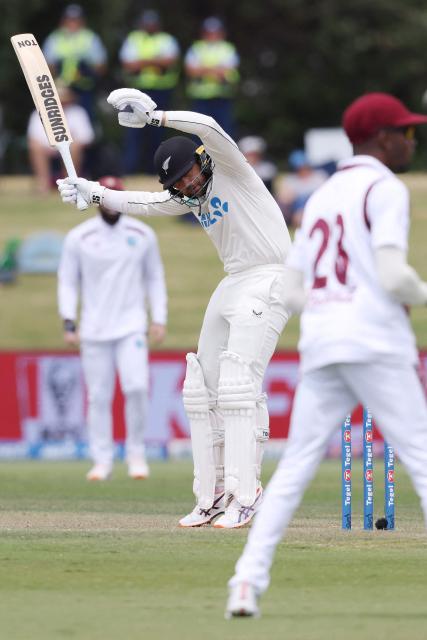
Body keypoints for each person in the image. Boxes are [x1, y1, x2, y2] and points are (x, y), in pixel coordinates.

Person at [225, 92, 427, 618]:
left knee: (293, 468)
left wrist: (333, 307)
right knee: (422, 458)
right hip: (376, 341)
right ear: (380, 138)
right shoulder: (386, 188)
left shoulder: (320, 193)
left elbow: (293, 293)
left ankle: (245, 583)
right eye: (405, 132)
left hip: (323, 339)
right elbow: (392, 276)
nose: (411, 140)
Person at [57, 88, 292, 526]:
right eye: (177, 183)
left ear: (201, 162)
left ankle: (248, 493)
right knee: (202, 387)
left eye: (187, 174)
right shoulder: (188, 197)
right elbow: (140, 202)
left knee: (240, 385)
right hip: (235, 279)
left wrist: (157, 116)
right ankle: (214, 494)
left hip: (272, 275)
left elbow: (210, 126)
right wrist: (90, 192)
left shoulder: (232, 169)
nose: (185, 184)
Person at [58, 175, 167, 481]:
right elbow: (68, 281)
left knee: (136, 387)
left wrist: (159, 318)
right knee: (98, 396)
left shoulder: (142, 233)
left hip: (131, 325)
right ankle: (102, 459)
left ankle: (136, 454)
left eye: (114, 196)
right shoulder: (79, 237)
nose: (109, 203)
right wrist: (69, 320)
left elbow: (154, 278)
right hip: (93, 328)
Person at [119, 9, 180, 174]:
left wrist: (143, 61)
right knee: (133, 129)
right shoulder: (134, 38)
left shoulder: (166, 40)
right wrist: (155, 61)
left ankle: (156, 170)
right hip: (137, 92)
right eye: (147, 23)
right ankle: (130, 170)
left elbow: (170, 61)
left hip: (161, 91)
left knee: (157, 131)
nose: (150, 26)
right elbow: (128, 64)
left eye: (152, 23)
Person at [42, 4, 107, 121]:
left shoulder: (90, 38)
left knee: (85, 123)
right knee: (59, 124)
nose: (73, 23)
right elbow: (46, 66)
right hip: (61, 91)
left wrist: (84, 73)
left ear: (82, 21)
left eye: (76, 19)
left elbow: (100, 66)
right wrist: (58, 79)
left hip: (84, 91)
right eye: (70, 19)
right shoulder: (55, 38)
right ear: (64, 20)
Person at [27, 84, 95, 193]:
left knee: (75, 148)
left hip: (71, 148)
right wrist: (52, 147)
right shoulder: (38, 114)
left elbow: (87, 137)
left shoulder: (78, 112)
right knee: (35, 147)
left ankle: (70, 184)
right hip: (47, 149)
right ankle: (43, 185)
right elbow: (34, 138)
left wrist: (67, 146)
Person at [184, 17, 239, 136]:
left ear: (221, 33)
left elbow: (229, 72)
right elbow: (191, 71)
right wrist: (217, 69)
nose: (212, 35)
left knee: (224, 133)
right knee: (200, 134)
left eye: (215, 32)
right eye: (209, 32)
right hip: (200, 98)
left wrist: (203, 69)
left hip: (222, 97)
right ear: (204, 33)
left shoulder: (227, 48)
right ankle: (201, 156)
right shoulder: (196, 48)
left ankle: (223, 156)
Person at [277, 149, 328, 228]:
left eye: (305, 166)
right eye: (300, 168)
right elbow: (283, 198)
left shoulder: (319, 176)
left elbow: (326, 195)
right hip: (296, 208)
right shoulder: (290, 180)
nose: (303, 170)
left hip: (316, 206)